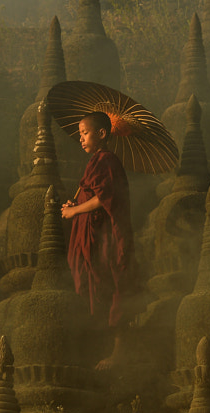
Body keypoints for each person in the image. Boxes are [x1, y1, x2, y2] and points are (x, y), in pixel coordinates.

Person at [61, 111, 139, 370]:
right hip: (90, 236)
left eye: (85, 132)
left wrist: (73, 211)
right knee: (92, 287)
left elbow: (105, 198)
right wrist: (77, 203)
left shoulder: (107, 160)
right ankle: (99, 349)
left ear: (102, 134)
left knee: (111, 287)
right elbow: (92, 196)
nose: (80, 138)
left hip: (106, 238)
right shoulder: (95, 161)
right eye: (80, 134)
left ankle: (120, 352)